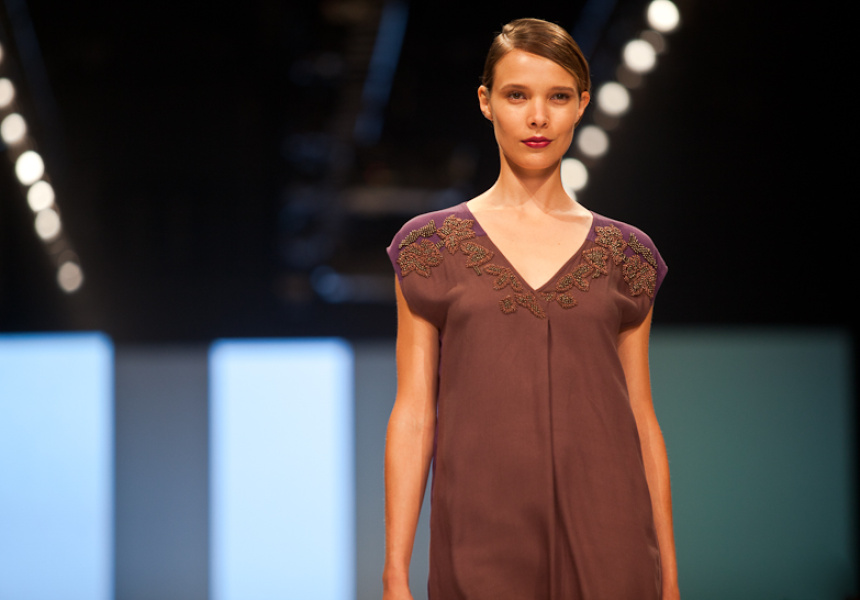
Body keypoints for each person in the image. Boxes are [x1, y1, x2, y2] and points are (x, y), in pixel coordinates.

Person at [383, 17, 679, 600]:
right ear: (486, 102)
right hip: (480, 533)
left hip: (610, 533)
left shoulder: (626, 253)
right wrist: (395, 572)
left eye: (558, 97)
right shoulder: (430, 247)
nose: (538, 117)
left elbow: (641, 419)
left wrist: (669, 579)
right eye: (517, 95)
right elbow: (414, 413)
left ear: (582, 105)